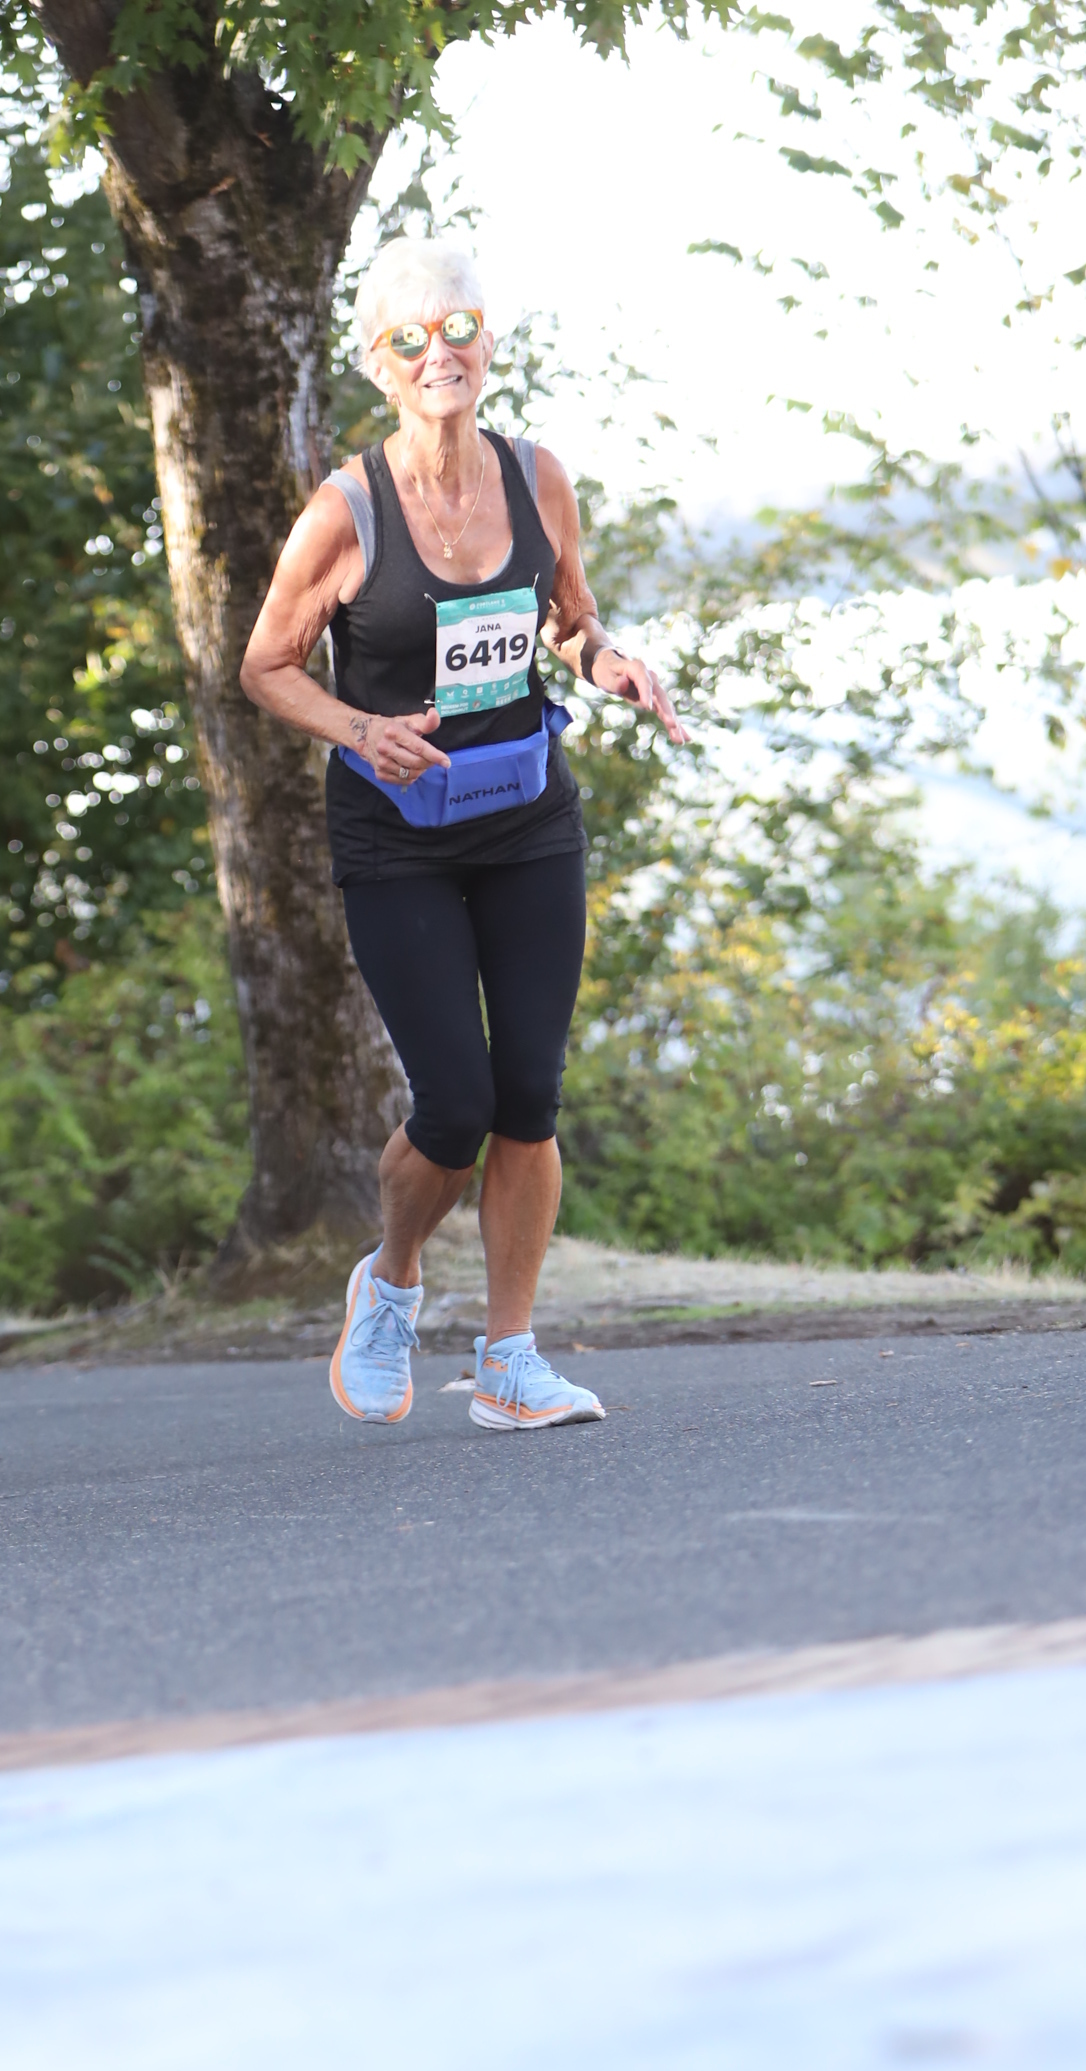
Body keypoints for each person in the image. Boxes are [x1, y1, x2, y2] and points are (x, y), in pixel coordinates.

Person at [240, 237, 687, 1435]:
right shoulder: (344, 512)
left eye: (458, 329)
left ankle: (508, 1359)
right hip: (398, 837)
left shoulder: (536, 477)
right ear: (375, 364)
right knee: (453, 1101)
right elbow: (264, 666)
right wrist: (359, 729)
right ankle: (389, 1280)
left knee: (528, 1092)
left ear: (488, 344)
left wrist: (609, 662)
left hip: (525, 815)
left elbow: (568, 621)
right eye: (409, 338)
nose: (437, 353)